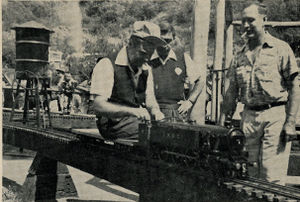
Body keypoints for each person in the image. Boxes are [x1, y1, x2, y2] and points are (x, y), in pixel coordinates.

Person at [220, 3, 300, 185]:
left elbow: (295, 85)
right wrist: (222, 122)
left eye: (251, 20)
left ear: (264, 20)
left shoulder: (280, 49)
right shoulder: (239, 55)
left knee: (272, 176)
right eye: (243, 21)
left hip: (275, 116)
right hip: (248, 117)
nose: (246, 25)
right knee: (247, 173)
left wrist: (290, 122)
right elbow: (231, 92)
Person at [90, 21, 165, 140]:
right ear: (131, 43)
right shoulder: (107, 64)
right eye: (143, 53)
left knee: (165, 133)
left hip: (135, 123)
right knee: (156, 137)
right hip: (112, 124)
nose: (146, 58)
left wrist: (156, 111)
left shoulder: (146, 68)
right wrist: (133, 111)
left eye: (150, 54)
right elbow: (98, 105)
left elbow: (149, 98)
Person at [149, 22, 204, 121]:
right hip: (151, 112)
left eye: (168, 41)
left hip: (175, 112)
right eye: (162, 41)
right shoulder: (148, 60)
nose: (165, 45)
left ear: (174, 40)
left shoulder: (182, 58)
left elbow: (200, 81)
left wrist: (190, 101)